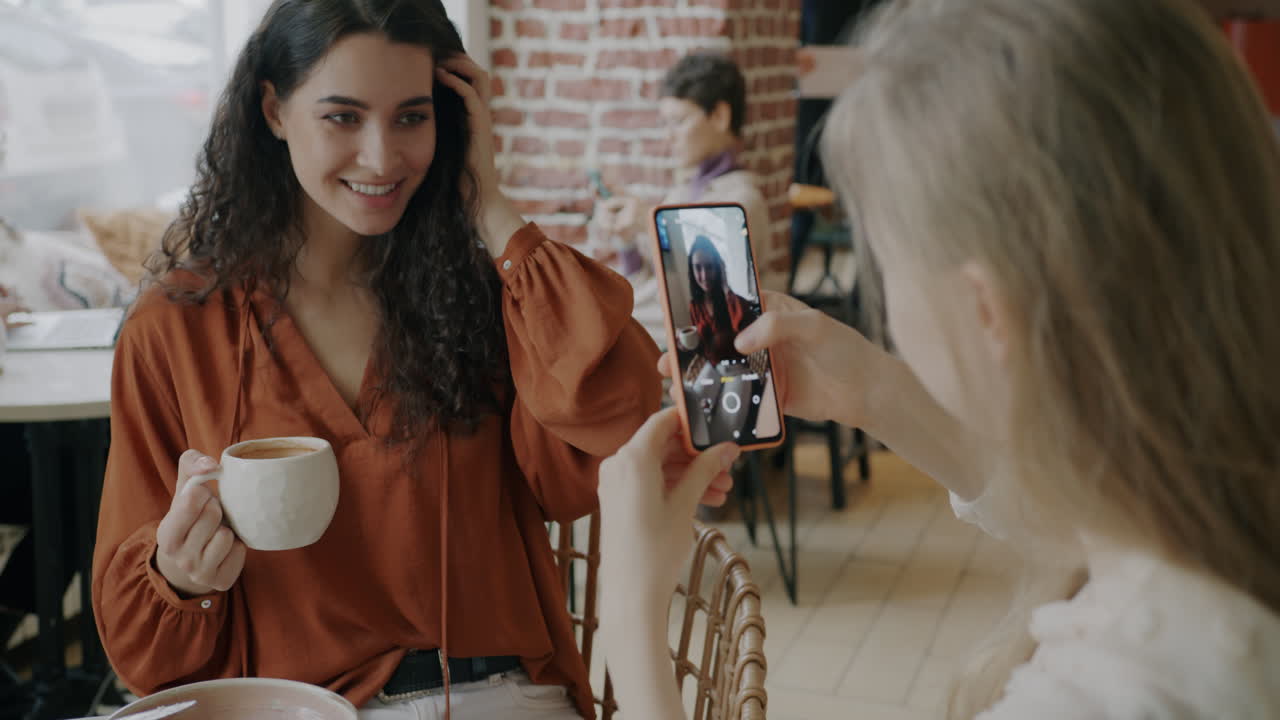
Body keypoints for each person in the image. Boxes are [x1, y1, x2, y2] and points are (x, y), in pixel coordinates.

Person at [597, 0, 1280, 718]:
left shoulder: (1106, 695)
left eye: (886, 259)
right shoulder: (1208, 523)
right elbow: (1063, 504)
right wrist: (875, 393)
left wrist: (632, 623)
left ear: (986, 308)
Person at [91, 1, 669, 718]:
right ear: (273, 111)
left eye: (412, 117)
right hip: (296, 707)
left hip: (498, 697)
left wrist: (490, 204)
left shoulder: (485, 296)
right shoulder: (176, 329)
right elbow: (141, 655)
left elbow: (621, 428)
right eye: (343, 117)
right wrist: (177, 575)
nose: (382, 157)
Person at [591, 53, 778, 343]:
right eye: (664, 124)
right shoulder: (679, 194)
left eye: (678, 122)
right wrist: (627, 238)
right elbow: (648, 284)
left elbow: (704, 298)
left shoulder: (743, 202)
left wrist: (651, 222)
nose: (668, 136)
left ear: (719, 116)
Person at [686, 236, 759, 366]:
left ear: (718, 268)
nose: (704, 276)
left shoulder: (731, 300)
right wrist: (685, 345)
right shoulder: (694, 306)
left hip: (737, 365)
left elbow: (744, 328)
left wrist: (726, 287)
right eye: (697, 267)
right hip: (711, 367)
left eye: (709, 267)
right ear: (691, 271)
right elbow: (700, 347)